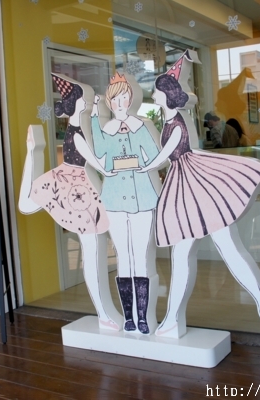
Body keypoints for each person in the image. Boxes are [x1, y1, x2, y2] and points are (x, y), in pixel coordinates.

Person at [138, 50, 260, 338]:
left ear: (167, 94)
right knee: (207, 249)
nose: (152, 95)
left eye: (156, 91)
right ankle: (259, 296)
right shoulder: (171, 120)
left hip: (191, 185)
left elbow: (165, 155)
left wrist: (141, 166)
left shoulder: (176, 122)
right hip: (190, 184)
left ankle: (175, 319)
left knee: (198, 250)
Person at [18, 73, 122, 331]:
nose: (90, 102)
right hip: (74, 187)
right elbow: (97, 159)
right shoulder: (78, 132)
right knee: (92, 249)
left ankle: (105, 313)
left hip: (80, 185)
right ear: (76, 103)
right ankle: (104, 313)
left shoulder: (83, 126)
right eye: (85, 99)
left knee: (94, 249)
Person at [90, 71, 162, 334]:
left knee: (141, 256)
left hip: (143, 197)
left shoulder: (141, 126)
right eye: (115, 100)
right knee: (123, 256)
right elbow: (100, 154)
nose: (120, 104)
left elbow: (154, 155)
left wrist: (140, 163)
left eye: (124, 98)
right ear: (109, 102)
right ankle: (128, 317)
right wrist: (95, 117)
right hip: (114, 199)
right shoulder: (105, 130)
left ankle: (143, 318)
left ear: (131, 99)